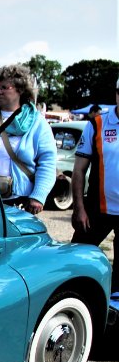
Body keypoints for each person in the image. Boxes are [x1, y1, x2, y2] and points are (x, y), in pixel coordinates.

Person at [0, 64, 56, 214]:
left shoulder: (36, 122)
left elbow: (47, 161)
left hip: (15, 200)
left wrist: (38, 196)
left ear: (20, 90)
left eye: (4, 87)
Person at [70, 76, 119, 293]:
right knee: (75, 260)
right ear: (116, 94)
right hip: (97, 209)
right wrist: (78, 208)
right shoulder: (97, 124)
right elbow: (79, 170)